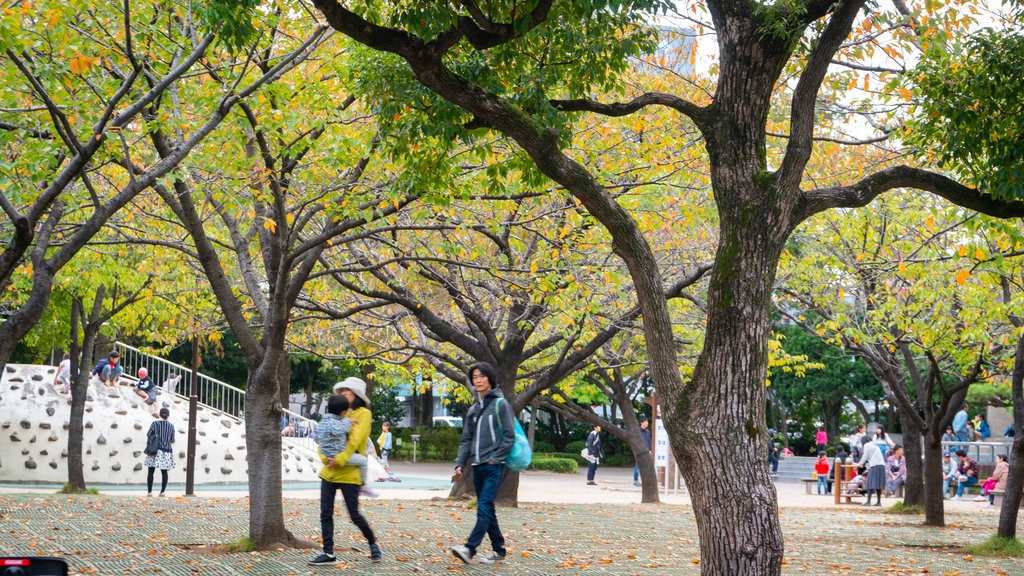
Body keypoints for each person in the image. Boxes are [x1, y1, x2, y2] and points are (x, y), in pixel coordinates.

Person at [310, 377, 382, 566]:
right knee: (325, 513)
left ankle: (373, 543)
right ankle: (328, 553)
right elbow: (322, 437)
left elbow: (355, 442)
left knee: (354, 515)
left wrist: (339, 460)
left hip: (349, 472)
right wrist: (326, 459)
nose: (343, 395)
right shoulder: (336, 413)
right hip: (329, 471)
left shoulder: (364, 414)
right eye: (341, 392)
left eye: (347, 392)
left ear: (356, 395)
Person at [451, 362, 514, 566]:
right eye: (474, 377)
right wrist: (459, 463)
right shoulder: (474, 409)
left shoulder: (500, 404)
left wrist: (496, 457)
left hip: (494, 465)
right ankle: (499, 551)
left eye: (481, 376)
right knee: (487, 509)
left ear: (490, 379)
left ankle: (470, 549)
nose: (477, 380)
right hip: (477, 466)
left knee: (484, 506)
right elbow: (466, 440)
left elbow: (509, 436)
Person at [315, 394, 375, 499]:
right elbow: (340, 430)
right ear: (343, 413)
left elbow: (316, 439)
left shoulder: (322, 422)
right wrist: (348, 421)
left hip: (326, 454)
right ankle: (363, 484)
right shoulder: (337, 423)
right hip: (337, 454)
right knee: (363, 460)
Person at [144, 407, 175, 497]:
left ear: (160, 415)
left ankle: (149, 492)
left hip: (155, 450)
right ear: (168, 415)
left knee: (151, 471)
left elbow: (148, 434)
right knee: (164, 472)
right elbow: (172, 440)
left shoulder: (155, 423)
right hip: (166, 450)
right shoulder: (171, 426)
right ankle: (162, 492)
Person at [856, 435, 885, 506]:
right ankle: (878, 502)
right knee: (878, 485)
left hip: (875, 466)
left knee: (869, 483)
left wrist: (859, 464)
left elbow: (865, 456)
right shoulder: (874, 445)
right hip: (881, 466)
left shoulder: (867, 445)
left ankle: (868, 502)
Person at [634, 417, 652, 487]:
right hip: (639, 451)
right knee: (637, 466)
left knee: (646, 467)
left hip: (647, 451)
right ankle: (635, 481)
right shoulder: (638, 431)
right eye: (646, 422)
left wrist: (650, 449)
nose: (647, 423)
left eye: (647, 422)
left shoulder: (647, 431)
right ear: (641, 423)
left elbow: (649, 441)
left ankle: (645, 481)